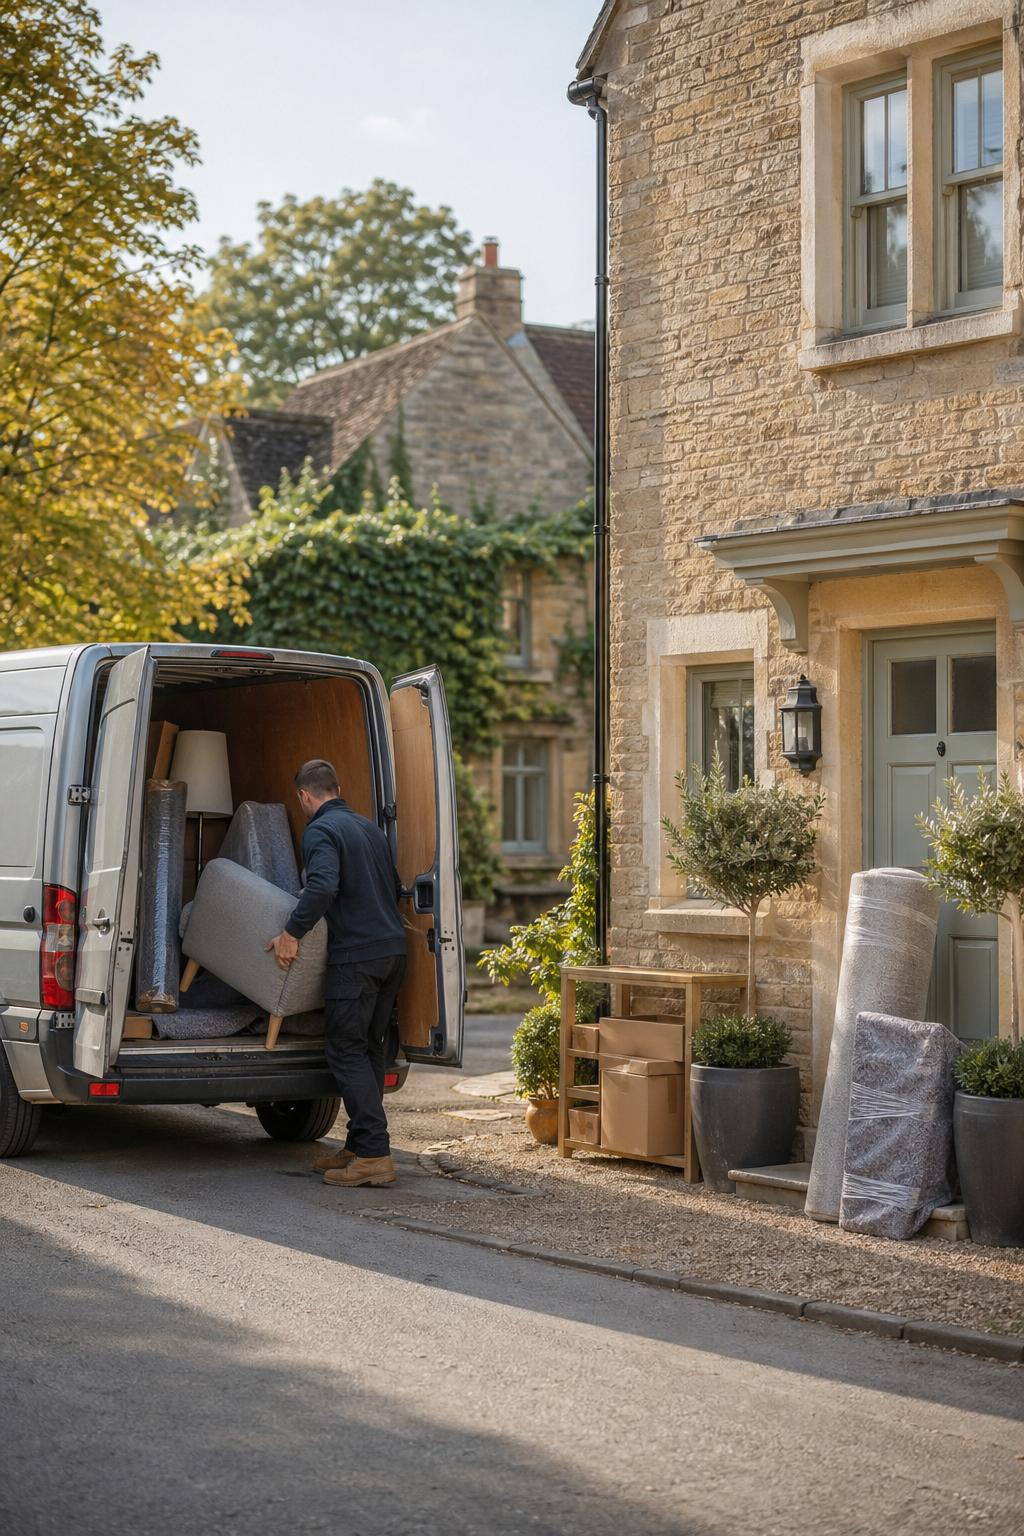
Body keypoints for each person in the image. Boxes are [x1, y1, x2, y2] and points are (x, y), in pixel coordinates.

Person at [266, 759, 407, 1187]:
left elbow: (322, 886)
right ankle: (359, 1145)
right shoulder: (369, 829)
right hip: (391, 953)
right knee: (367, 1051)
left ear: (304, 797)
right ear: (338, 787)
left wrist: (291, 932)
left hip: (357, 960)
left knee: (345, 1051)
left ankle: (374, 1156)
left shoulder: (320, 831)